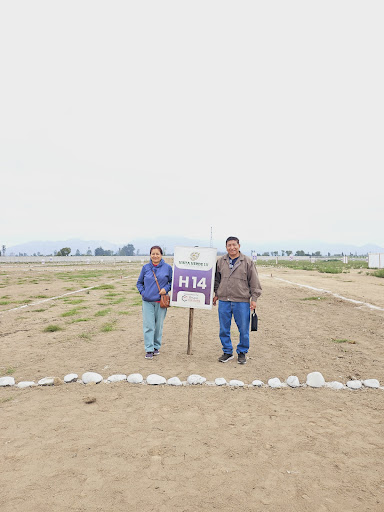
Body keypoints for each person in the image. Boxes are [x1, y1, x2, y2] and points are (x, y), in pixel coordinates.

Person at [213, 236, 262, 364]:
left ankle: (242, 352)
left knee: (243, 328)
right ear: (226, 247)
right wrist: (216, 293)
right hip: (224, 300)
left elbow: (254, 282)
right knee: (224, 328)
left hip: (242, 301)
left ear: (239, 246)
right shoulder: (220, 261)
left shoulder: (247, 262)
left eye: (234, 245)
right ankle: (227, 351)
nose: (232, 247)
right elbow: (216, 279)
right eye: (229, 245)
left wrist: (254, 298)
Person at [136, 246, 173, 359]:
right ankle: (149, 349)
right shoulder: (146, 268)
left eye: (157, 254)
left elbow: (172, 282)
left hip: (161, 302)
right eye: (153, 254)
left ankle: (156, 346)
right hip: (147, 301)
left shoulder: (167, 268)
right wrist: (144, 293)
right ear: (150, 255)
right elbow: (139, 283)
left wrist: (165, 289)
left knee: (158, 326)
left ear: (161, 255)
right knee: (148, 325)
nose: (155, 256)